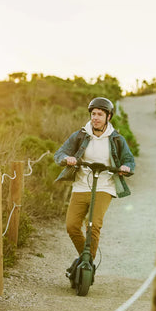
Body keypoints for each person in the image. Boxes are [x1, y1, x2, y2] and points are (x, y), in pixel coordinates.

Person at [54, 97, 135, 270]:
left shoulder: (116, 139)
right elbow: (59, 153)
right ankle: (87, 261)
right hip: (81, 185)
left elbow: (129, 160)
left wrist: (125, 167)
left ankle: (84, 266)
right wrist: (66, 159)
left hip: (105, 186)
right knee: (72, 226)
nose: (95, 118)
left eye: (100, 114)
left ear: (108, 117)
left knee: (93, 225)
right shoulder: (81, 135)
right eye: (93, 114)